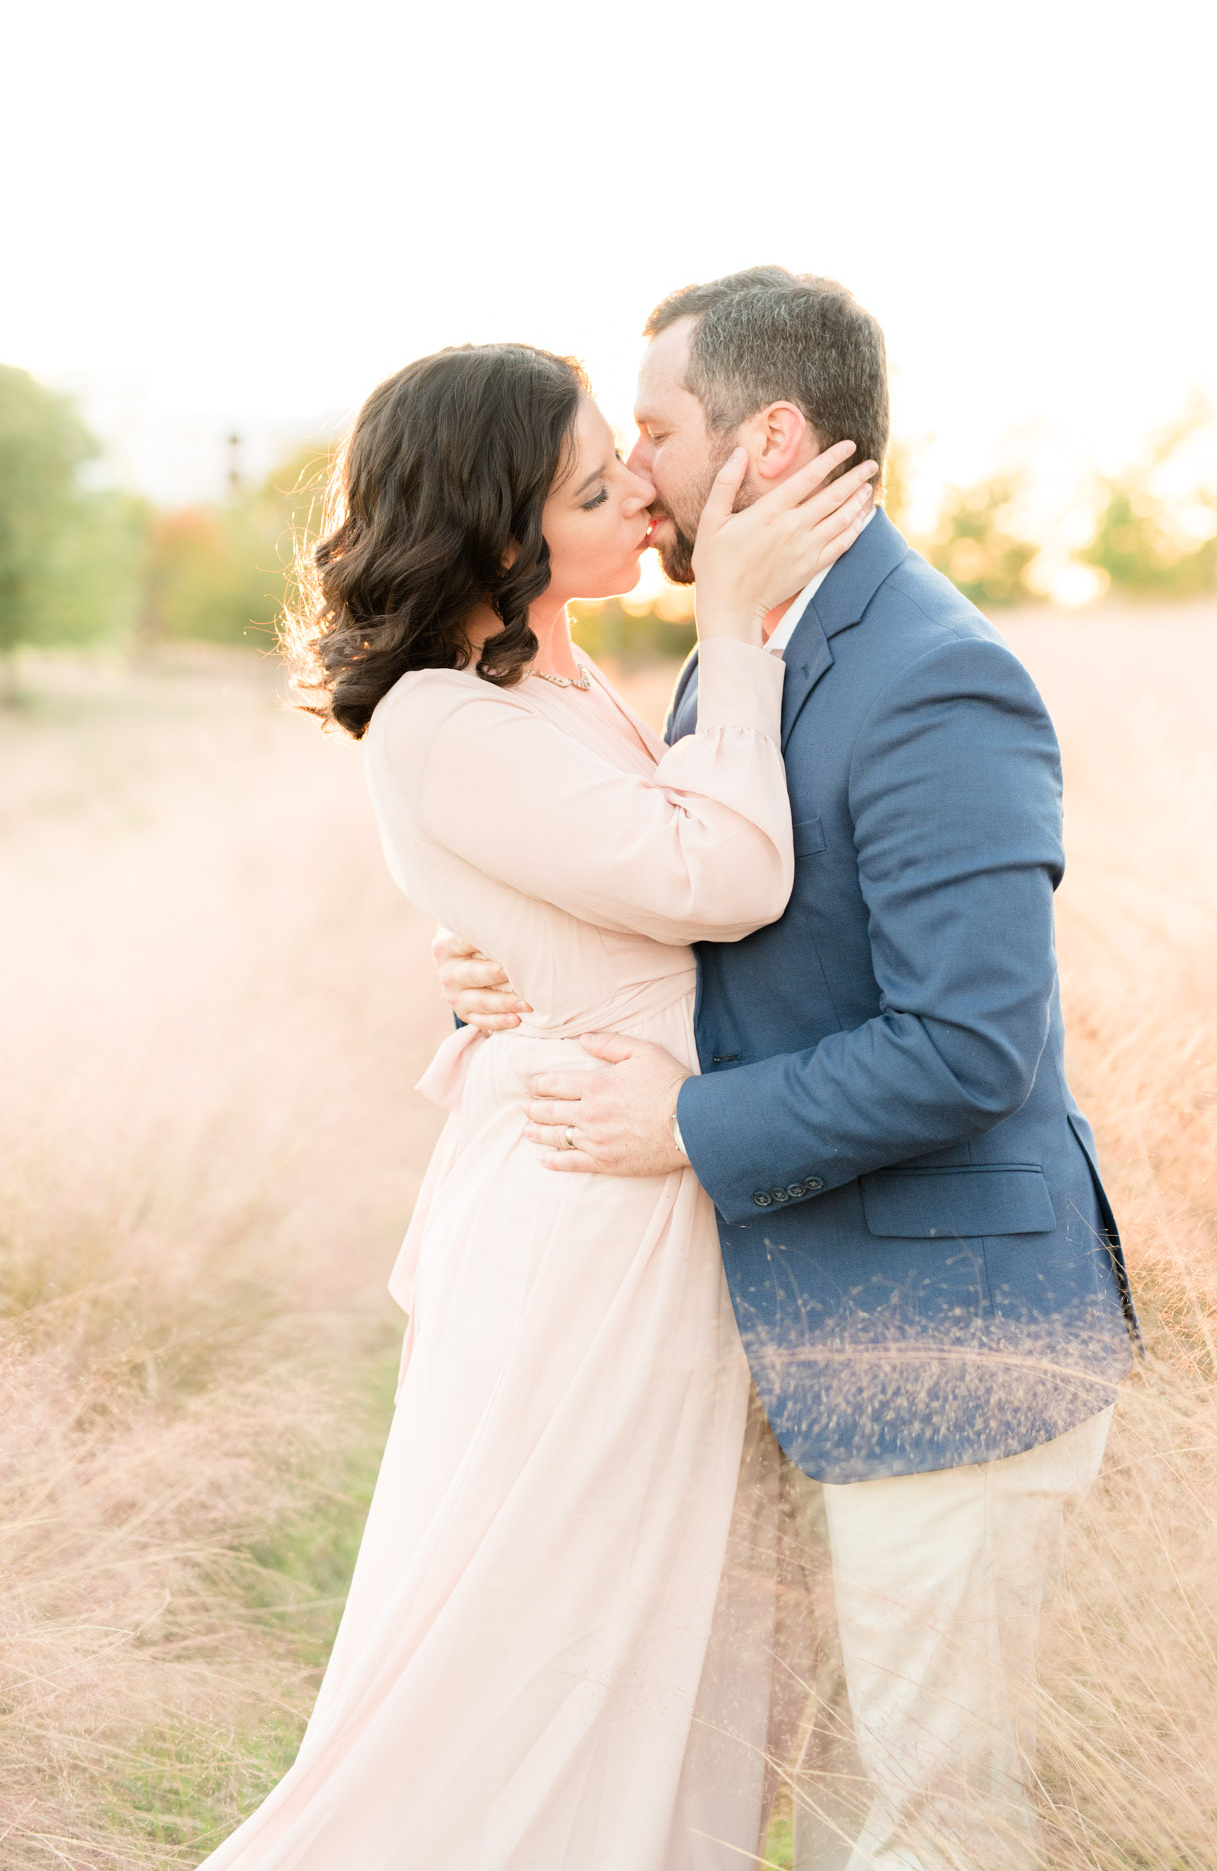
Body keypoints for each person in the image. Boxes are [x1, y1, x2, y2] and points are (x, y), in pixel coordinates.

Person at [439, 268, 1143, 1871]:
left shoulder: (931, 677)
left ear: (769, 439)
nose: (636, 470)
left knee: (930, 1819)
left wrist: (685, 1122)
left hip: (949, 1343)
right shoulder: (738, 651)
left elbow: (971, 1048)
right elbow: (706, 910)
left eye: (661, 429)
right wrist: (499, 974)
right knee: (815, 1812)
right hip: (799, 1332)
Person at [195, 339, 873, 1871]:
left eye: (625, 457)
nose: (642, 485)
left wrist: (497, 964)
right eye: (594, 482)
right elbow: (724, 874)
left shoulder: (548, 678)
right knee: (533, 1632)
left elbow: (589, 896)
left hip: (635, 1176)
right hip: (588, 1214)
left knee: (644, 1634)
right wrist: (739, 631)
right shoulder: (444, 719)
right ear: (502, 538)